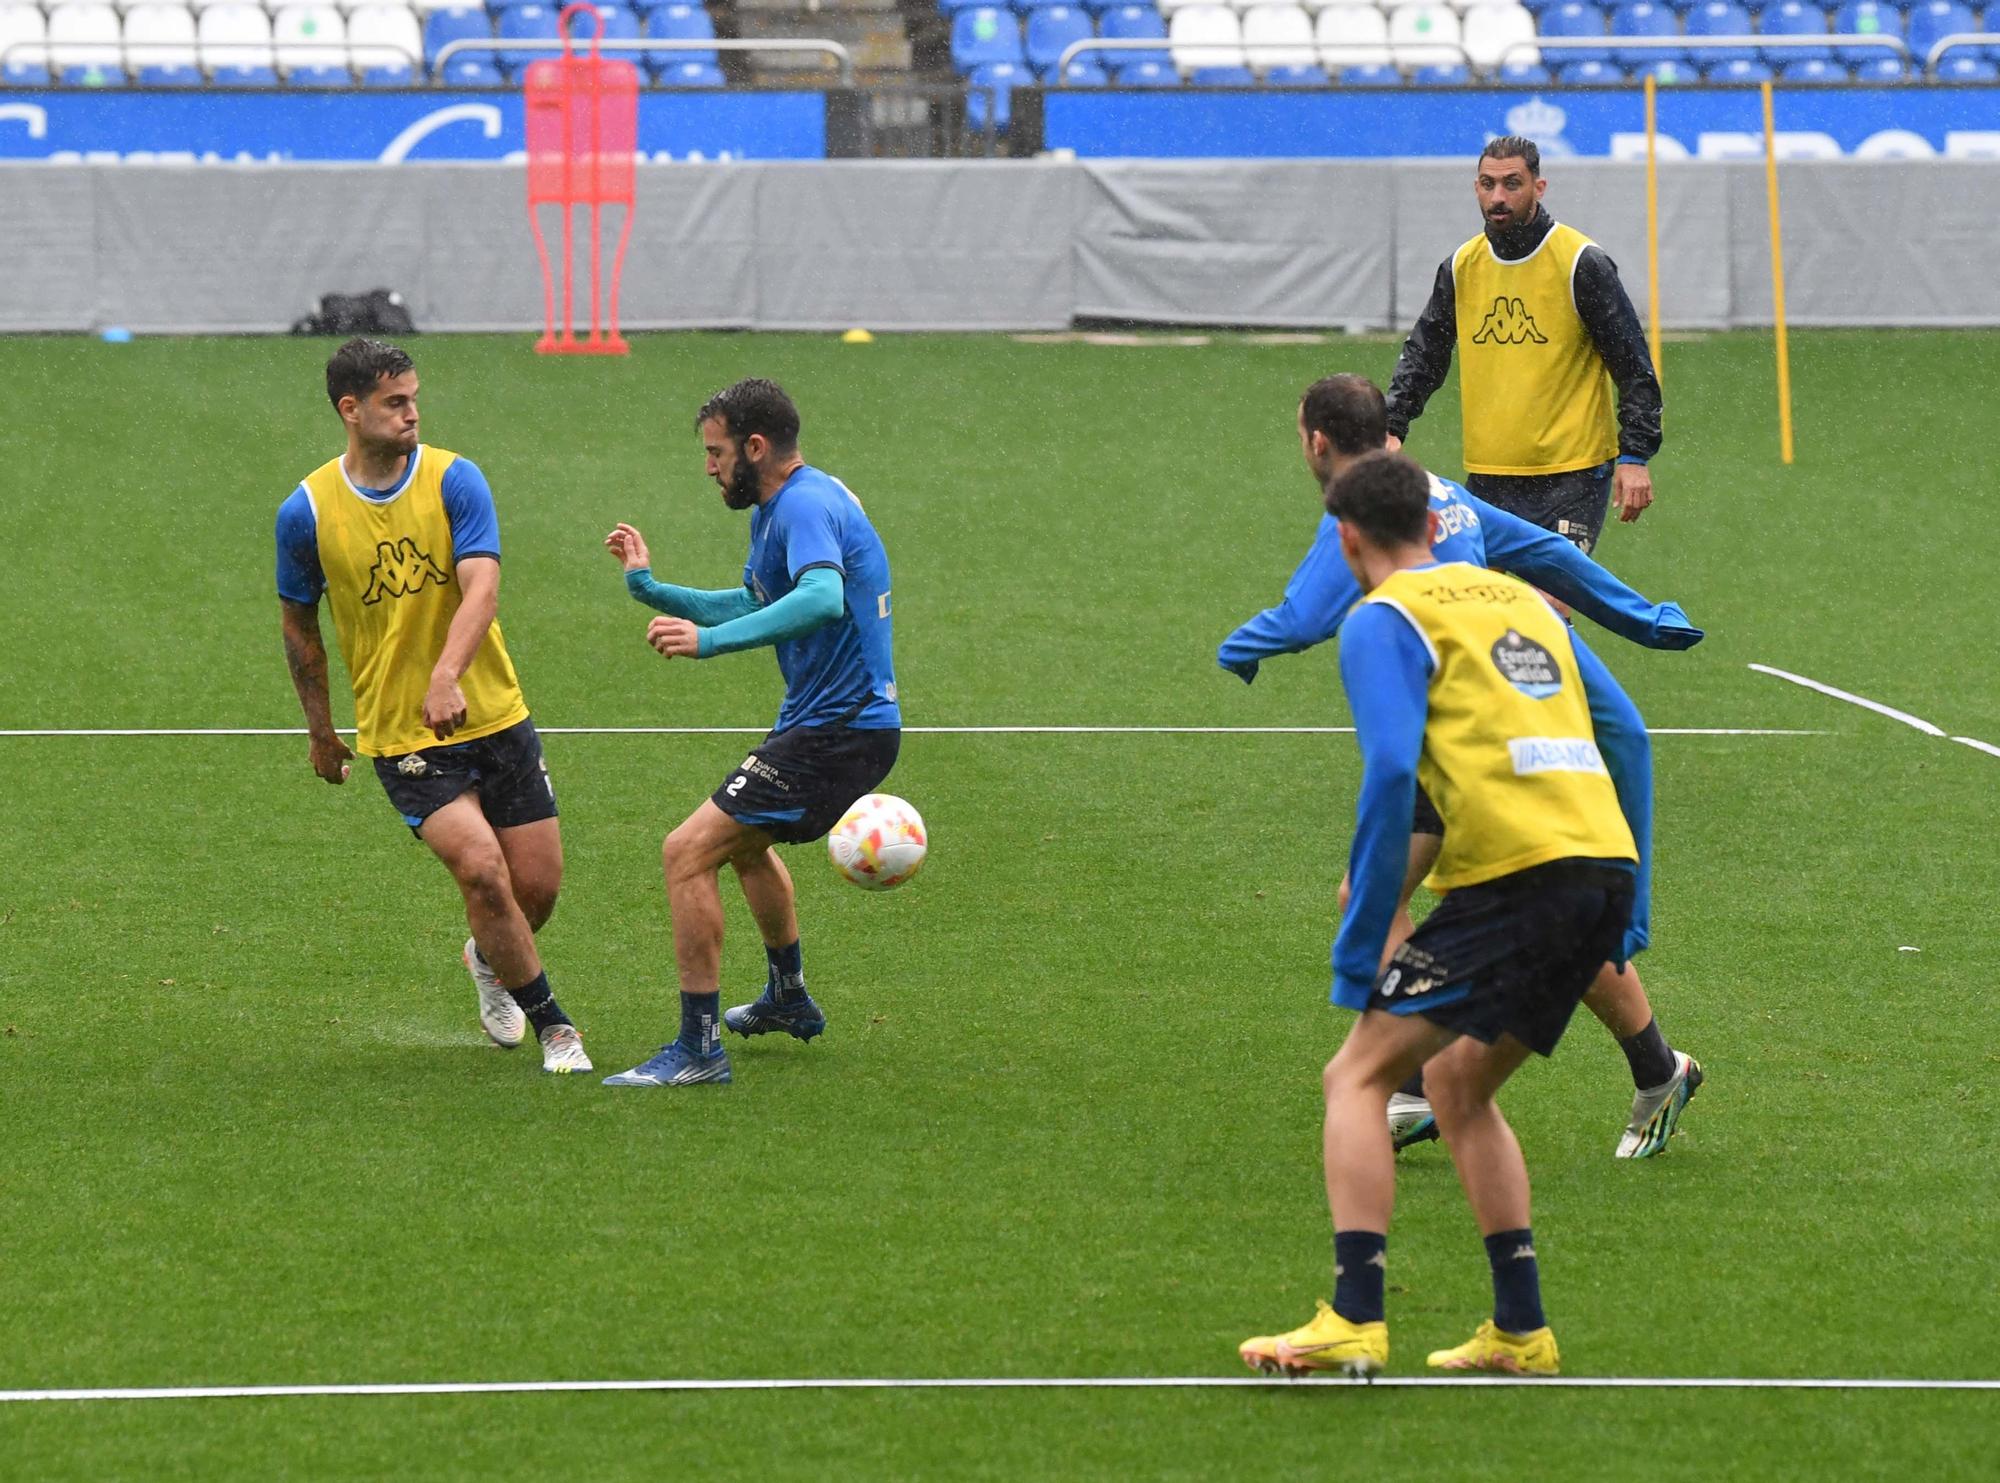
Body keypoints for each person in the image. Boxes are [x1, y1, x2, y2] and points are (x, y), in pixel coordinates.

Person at [1239, 451, 1653, 1380]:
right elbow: (1613, 727)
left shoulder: (1380, 618)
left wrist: (1361, 937)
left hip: (1519, 878)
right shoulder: (1516, 597)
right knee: (1460, 1089)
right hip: (1600, 866)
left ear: (1348, 540)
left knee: (1355, 1077)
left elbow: (1390, 773)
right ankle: (1521, 1329)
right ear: (1439, 526)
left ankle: (1354, 1316)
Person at [1220, 375, 1701, 1160]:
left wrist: (1248, 643)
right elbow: (1551, 560)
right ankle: (1651, 1067)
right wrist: (1642, 618)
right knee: (1537, 905)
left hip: (1471, 750)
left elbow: (1309, 616)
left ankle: (1413, 1086)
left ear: (1316, 443)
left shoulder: (1364, 524)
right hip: (1499, 739)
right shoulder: (1457, 515)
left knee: (1418, 901)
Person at [274, 337, 591, 1074]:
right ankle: (556, 1026)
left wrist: (448, 673)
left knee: (534, 888)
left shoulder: (456, 479)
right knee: (483, 872)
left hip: (494, 711)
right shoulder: (308, 511)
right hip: (401, 732)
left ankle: (488, 957)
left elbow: (482, 586)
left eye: (414, 397)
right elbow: (299, 628)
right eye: (396, 402)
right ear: (351, 410)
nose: (414, 412)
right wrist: (322, 732)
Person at [602, 378, 901, 1090]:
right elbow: (753, 599)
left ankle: (699, 1048)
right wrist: (652, 588)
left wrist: (708, 645)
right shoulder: (783, 508)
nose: (709, 467)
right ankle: (787, 994)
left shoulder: (804, 503)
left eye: (716, 452)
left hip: (839, 727)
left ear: (755, 448)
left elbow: (823, 598)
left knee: (686, 852)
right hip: (828, 723)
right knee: (743, 847)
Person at [1384, 135, 1663, 557]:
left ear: (1539, 186)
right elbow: (1426, 353)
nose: (1498, 196)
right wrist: (1392, 425)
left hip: (1574, 475)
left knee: (1550, 605)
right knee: (1487, 611)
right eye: (1487, 184)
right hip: (1490, 475)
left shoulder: (1580, 262)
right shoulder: (1461, 266)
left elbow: (1633, 366)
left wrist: (1635, 455)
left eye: (1512, 184)